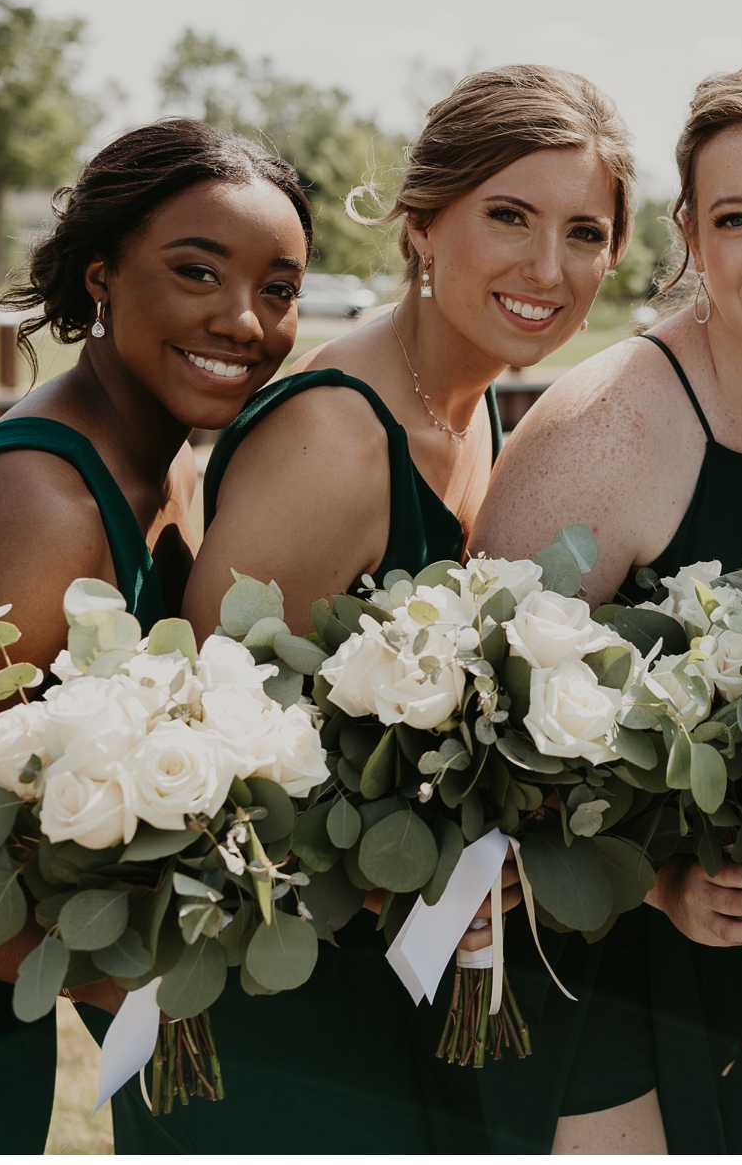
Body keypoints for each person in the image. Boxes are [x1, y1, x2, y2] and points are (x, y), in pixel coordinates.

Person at [119, 65, 637, 1154]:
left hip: (400, 978)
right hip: (277, 1007)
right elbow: (201, 756)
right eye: (508, 216)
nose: (549, 266)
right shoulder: (336, 436)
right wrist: (393, 878)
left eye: (583, 231)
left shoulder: (473, 399)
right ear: (421, 223)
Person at [471, 67, 742, 1153]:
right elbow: (471, 737)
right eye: (734, 219)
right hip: (586, 957)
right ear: (690, 238)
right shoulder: (603, 433)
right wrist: (655, 876)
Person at [0, 119, 313, 1153]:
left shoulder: (165, 460)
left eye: (278, 288)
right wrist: (140, 972)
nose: (243, 320)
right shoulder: (37, 506)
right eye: (196, 271)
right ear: (101, 274)